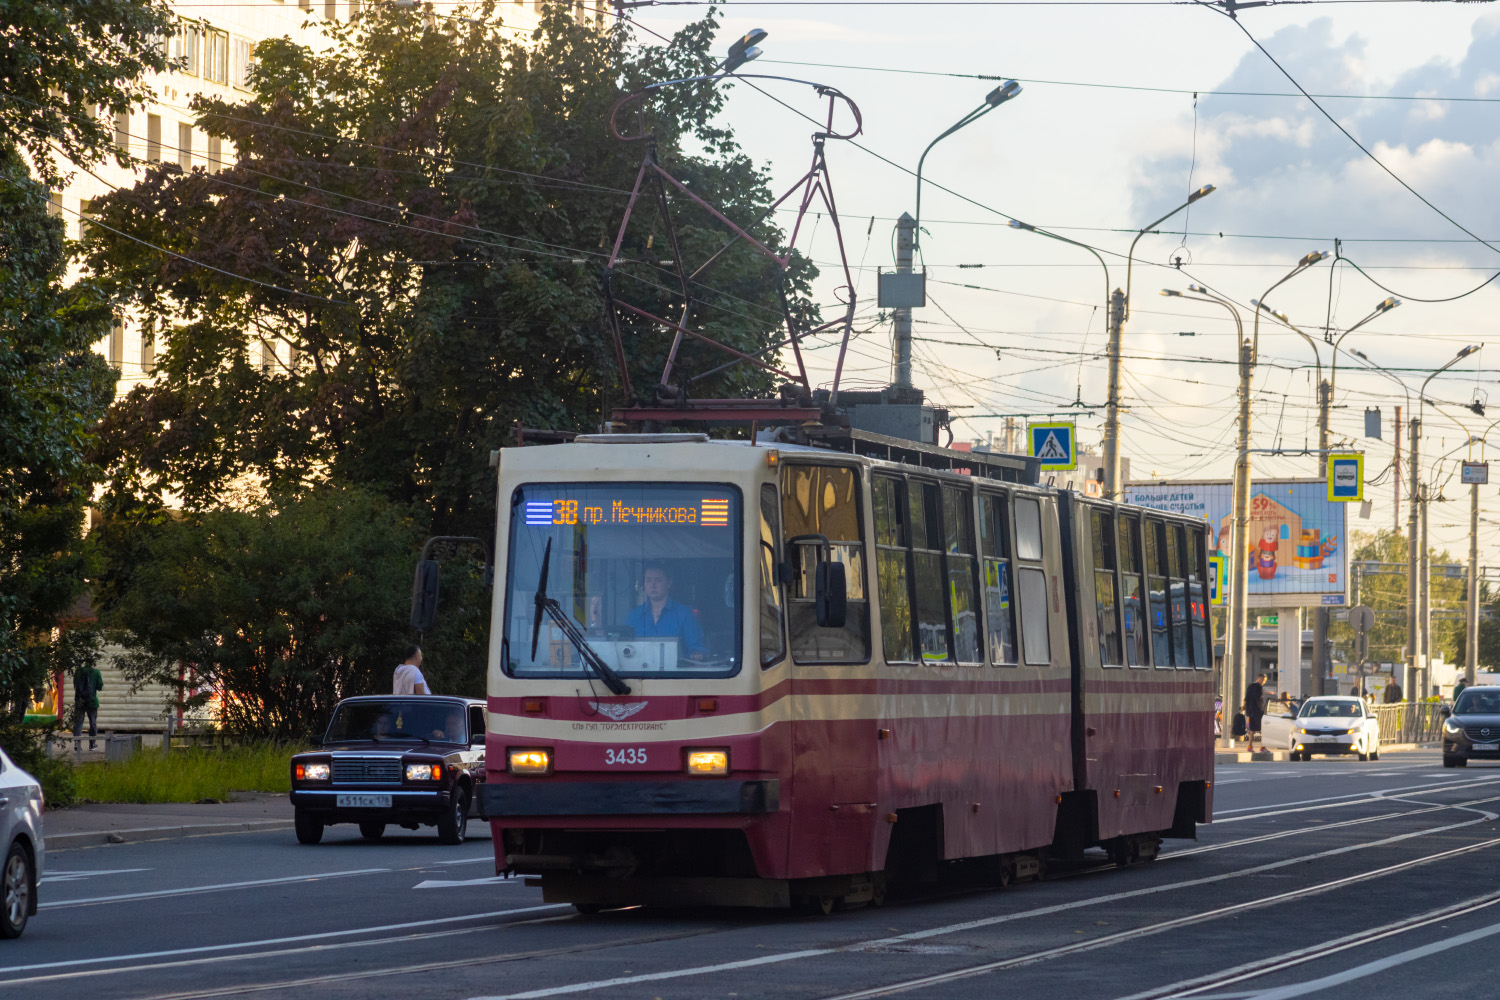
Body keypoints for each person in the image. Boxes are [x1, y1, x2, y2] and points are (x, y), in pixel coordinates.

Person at [626, 563, 708, 658]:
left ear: (669, 583)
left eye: (658, 580)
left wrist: (697, 654)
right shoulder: (634, 615)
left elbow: (698, 649)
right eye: (648, 580)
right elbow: (624, 646)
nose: (653, 585)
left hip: (675, 672)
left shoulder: (685, 613)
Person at [72, 661, 104, 751]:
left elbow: (75, 685)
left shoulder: (78, 672)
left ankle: (77, 744)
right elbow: (100, 687)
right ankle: (92, 745)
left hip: (79, 701)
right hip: (92, 702)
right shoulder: (96, 672)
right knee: (93, 723)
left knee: (78, 722)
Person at [1244, 673, 1268, 752]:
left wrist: (1244, 707)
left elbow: (1246, 698)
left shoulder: (1250, 686)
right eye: (1264, 681)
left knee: (1252, 729)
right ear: (1260, 679)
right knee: (1264, 729)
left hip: (1251, 711)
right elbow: (1258, 697)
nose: (1264, 682)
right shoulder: (1259, 687)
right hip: (1258, 710)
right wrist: (1265, 693)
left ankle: (1250, 747)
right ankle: (1262, 747)